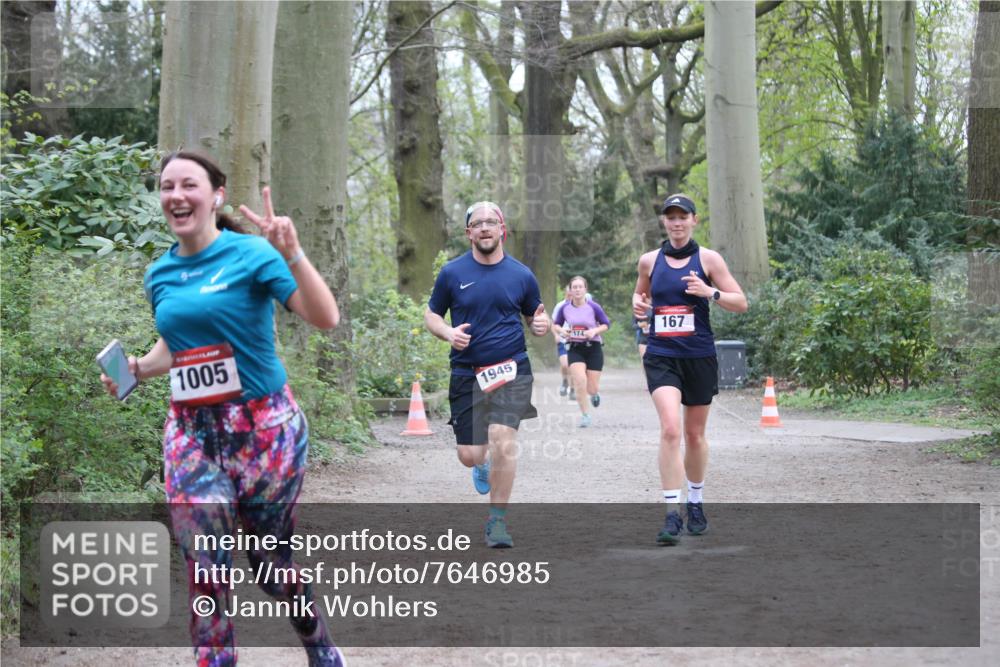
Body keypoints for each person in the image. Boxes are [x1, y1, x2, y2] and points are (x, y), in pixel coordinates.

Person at [100, 151, 343, 666]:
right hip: (191, 435)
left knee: (270, 566)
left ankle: (318, 643)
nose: (176, 195)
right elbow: (178, 344)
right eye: (167, 186)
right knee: (205, 568)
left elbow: (325, 318)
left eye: (189, 184)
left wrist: (293, 252)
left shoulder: (253, 255)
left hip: (265, 431)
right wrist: (138, 369)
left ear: (216, 195)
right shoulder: (160, 273)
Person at [424, 200, 550, 548]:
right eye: (476, 223)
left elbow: (537, 317)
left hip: (512, 369)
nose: (484, 227)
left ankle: (497, 522)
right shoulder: (452, 273)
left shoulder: (522, 274)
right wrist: (448, 333)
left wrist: (542, 324)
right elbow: (431, 315)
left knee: (503, 439)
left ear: (501, 229)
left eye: (490, 222)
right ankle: (481, 464)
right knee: (471, 455)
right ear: (468, 233)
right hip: (467, 372)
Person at [632, 194, 747, 546]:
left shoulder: (708, 259)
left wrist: (709, 292)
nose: (676, 223)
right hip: (662, 354)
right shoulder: (649, 261)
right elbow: (640, 300)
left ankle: (695, 502)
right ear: (664, 222)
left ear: (694, 220)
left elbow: (741, 303)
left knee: (694, 435)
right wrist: (639, 306)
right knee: (670, 430)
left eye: (683, 217)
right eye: (671, 217)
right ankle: (671, 512)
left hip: (698, 355)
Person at [552, 276, 611, 427]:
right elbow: (556, 324)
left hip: (593, 348)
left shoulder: (593, 307)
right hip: (574, 348)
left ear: (585, 289)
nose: (577, 290)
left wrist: (594, 331)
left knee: (591, 388)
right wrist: (562, 331)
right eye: (574, 287)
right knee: (579, 382)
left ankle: (595, 393)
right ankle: (585, 415)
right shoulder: (565, 308)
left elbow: (606, 324)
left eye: (580, 287)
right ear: (570, 290)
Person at [551, 285, 573, 398]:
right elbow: (553, 323)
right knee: (565, 365)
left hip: (576, 341)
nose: (570, 295)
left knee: (573, 365)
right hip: (562, 339)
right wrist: (556, 335)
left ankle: (573, 389)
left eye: (572, 293)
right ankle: (565, 381)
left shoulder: (580, 306)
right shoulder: (560, 306)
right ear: (565, 293)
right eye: (568, 293)